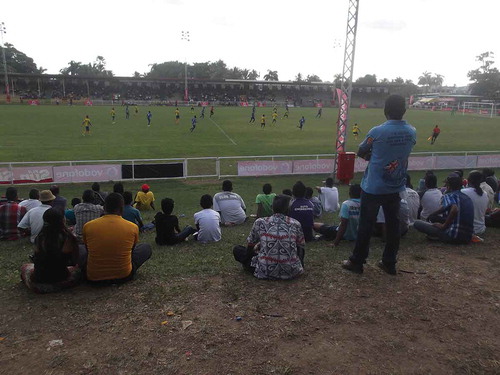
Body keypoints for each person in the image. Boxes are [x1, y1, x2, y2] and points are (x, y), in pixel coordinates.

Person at [342, 94, 416, 275]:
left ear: (385, 111)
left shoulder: (377, 131)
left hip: (374, 187)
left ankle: (357, 262)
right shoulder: (411, 131)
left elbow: (361, 151)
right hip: (396, 186)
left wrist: (373, 157)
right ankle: (389, 263)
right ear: (404, 111)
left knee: (365, 225)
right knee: (392, 225)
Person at [81, 193, 152, 283]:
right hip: (124, 275)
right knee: (146, 247)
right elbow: (132, 251)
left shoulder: (88, 226)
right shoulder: (133, 227)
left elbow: (87, 250)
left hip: (93, 277)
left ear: (104, 207)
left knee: (80, 248)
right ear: (121, 208)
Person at [233, 195, 305, 280]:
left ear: (272, 208)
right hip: (292, 271)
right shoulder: (296, 223)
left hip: (265, 271)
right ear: (288, 209)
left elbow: (250, 245)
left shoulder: (260, 222)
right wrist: (299, 265)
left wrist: (249, 258)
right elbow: (301, 247)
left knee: (238, 250)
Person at [20, 209, 81, 293]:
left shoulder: (40, 237)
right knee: (77, 270)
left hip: (39, 278)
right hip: (61, 276)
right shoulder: (67, 237)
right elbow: (70, 260)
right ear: (62, 220)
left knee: (25, 267)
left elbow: (37, 258)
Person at [414, 174, 474, 244]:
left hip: (453, 236)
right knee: (433, 218)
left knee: (417, 223)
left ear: (448, 186)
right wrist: (433, 214)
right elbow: (447, 207)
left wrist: (443, 226)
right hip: (467, 237)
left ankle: (438, 235)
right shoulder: (467, 197)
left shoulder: (449, 195)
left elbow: (454, 210)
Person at [461, 170, 489, 235]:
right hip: (480, 228)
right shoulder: (484, 194)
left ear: (468, 180)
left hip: (467, 229)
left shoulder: (463, 192)